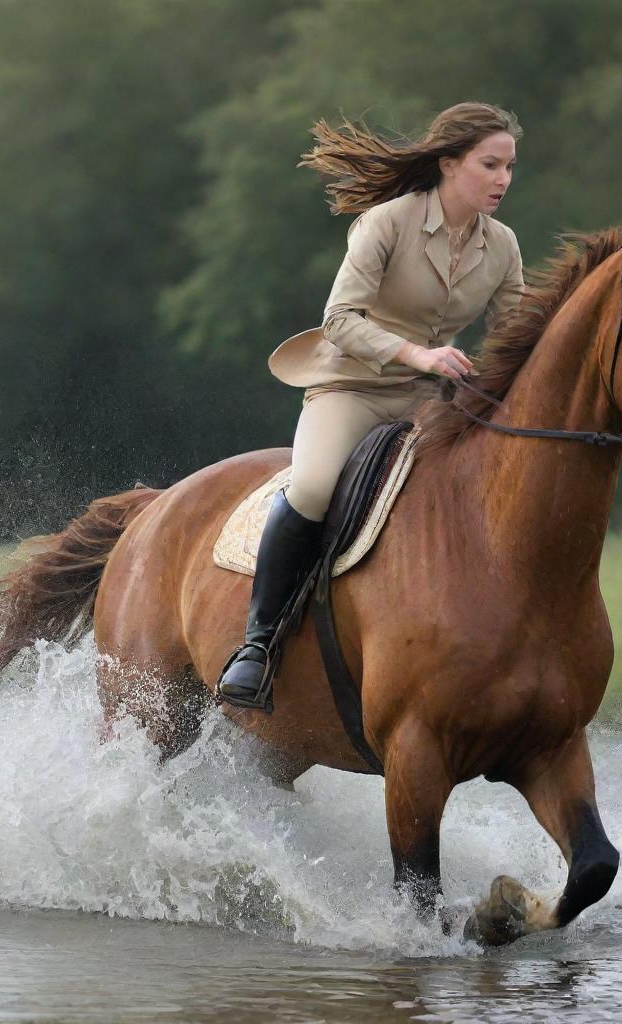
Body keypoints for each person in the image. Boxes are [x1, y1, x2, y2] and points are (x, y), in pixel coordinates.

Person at [216, 101, 524, 706]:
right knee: (310, 487)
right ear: (448, 163)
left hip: (432, 402)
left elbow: (516, 339)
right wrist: (418, 355)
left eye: (510, 167)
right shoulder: (386, 222)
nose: (503, 180)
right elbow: (339, 319)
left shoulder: (504, 246)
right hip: (351, 388)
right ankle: (257, 645)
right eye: (490, 165)